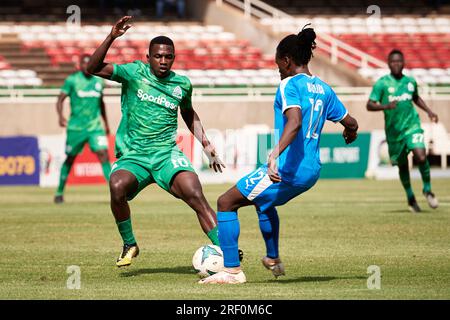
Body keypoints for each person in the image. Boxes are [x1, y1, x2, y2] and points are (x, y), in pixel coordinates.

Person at [200, 25, 359, 284]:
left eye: (278, 65)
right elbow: (350, 123)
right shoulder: (324, 89)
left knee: (225, 202)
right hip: (311, 171)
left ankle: (232, 271)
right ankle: (272, 259)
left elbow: (294, 122)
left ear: (287, 61)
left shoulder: (289, 85)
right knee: (264, 202)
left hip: (287, 168)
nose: (277, 70)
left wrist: (274, 155)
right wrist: (350, 133)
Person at [87, 16, 228, 267]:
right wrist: (111, 37)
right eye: (158, 56)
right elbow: (92, 68)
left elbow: (188, 112)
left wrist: (207, 145)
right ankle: (130, 244)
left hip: (166, 155)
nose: (163, 61)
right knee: (117, 186)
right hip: (134, 155)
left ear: (173, 58)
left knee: (195, 193)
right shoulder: (133, 73)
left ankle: (226, 250)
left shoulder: (181, 84)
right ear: (148, 57)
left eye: (168, 56)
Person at [367, 49, 439, 213]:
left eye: (399, 61)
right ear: (388, 64)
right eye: (393, 62)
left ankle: (427, 189)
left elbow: (415, 97)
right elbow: (369, 105)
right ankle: (410, 197)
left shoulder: (410, 82)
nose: (396, 64)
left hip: (412, 126)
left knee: (421, 155)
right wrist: (385, 106)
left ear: (404, 63)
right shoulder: (382, 84)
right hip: (394, 133)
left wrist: (429, 111)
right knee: (403, 165)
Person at [54, 54, 111, 204]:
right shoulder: (72, 80)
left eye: (89, 63)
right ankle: (59, 192)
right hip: (76, 128)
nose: (87, 66)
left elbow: (101, 103)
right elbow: (60, 99)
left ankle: (115, 192)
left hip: (95, 127)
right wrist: (60, 116)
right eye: (84, 64)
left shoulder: (99, 81)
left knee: (104, 154)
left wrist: (106, 123)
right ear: (79, 65)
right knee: (70, 158)